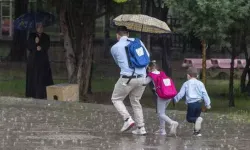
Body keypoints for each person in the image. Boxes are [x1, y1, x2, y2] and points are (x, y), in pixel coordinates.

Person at [111, 26, 149, 135]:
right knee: (136, 101)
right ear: (128, 34)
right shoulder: (138, 42)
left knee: (116, 99)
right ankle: (141, 128)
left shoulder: (115, 47)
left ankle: (128, 120)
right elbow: (147, 57)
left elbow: (118, 63)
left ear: (117, 35)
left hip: (127, 78)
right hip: (142, 77)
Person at [144, 60, 179, 136]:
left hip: (162, 96)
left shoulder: (151, 75)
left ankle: (172, 123)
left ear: (149, 68)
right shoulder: (162, 73)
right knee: (162, 113)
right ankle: (162, 130)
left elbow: (144, 83)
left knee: (161, 113)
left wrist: (142, 75)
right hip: (169, 95)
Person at [174, 67, 211, 136]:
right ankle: (197, 132)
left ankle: (197, 125)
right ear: (197, 76)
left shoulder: (186, 84)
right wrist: (208, 103)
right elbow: (204, 93)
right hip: (199, 103)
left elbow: (181, 93)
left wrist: (176, 99)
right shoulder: (200, 83)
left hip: (191, 104)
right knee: (197, 118)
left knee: (190, 118)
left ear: (188, 75)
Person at [25, 23, 54, 99]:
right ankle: (33, 93)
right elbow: (29, 46)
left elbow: (47, 45)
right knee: (34, 77)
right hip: (33, 60)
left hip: (43, 60)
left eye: (41, 27)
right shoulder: (32, 36)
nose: (40, 29)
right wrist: (35, 43)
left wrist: (41, 47)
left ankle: (43, 93)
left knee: (42, 77)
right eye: (38, 27)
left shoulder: (46, 36)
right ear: (36, 28)